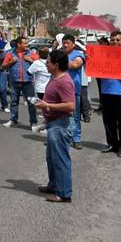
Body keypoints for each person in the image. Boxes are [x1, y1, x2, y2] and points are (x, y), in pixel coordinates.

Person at [35, 49, 76, 203]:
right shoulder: (55, 78)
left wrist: (48, 106)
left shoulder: (65, 82)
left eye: (48, 61)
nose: (46, 63)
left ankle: (64, 193)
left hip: (61, 125)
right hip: (53, 123)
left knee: (60, 159)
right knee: (51, 158)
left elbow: (71, 106)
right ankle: (54, 185)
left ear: (56, 65)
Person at [2, 36, 38, 129]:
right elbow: (3, 66)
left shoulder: (31, 53)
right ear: (19, 44)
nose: (27, 45)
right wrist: (11, 62)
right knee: (14, 102)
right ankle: (13, 120)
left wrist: (30, 60)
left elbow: (39, 64)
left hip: (28, 81)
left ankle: (33, 123)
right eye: (25, 43)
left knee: (31, 103)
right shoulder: (10, 53)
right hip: (14, 81)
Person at [62, 34, 86, 149]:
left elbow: (75, 64)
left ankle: (76, 139)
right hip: (59, 89)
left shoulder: (78, 54)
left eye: (67, 43)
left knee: (75, 116)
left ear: (73, 44)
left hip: (73, 90)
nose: (65, 45)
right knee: (59, 115)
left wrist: (59, 62)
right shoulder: (59, 54)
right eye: (64, 43)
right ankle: (62, 138)